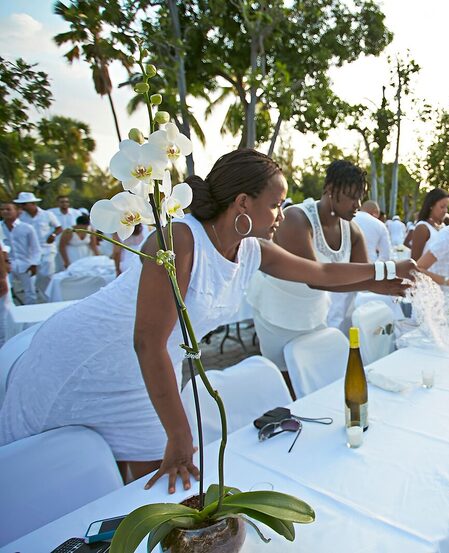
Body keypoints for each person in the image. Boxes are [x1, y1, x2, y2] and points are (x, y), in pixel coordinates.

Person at [0, 149, 417, 493]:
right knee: (53, 483)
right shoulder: (180, 238)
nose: (281, 214)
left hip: (147, 368)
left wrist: (385, 275)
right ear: (242, 203)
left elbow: (321, 274)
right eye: (275, 204)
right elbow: (147, 340)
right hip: (83, 358)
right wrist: (180, 433)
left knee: (156, 486)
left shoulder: (254, 249)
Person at [248, 160, 407, 370]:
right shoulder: (296, 218)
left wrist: (387, 284)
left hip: (314, 312)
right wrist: (389, 269)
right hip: (277, 311)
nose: (358, 205)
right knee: (284, 378)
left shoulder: (353, 231)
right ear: (331, 190)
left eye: (361, 197)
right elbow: (315, 278)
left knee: (316, 373)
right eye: (352, 197)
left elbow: (364, 278)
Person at [327, 200, 392, 333]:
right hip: (368, 271)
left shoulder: (343, 219)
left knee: (336, 312)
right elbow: (386, 257)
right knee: (364, 313)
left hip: (342, 268)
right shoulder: (379, 225)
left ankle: (336, 342)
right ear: (376, 213)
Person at [14, 192, 62, 302]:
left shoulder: (47, 214)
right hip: (30, 251)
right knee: (32, 277)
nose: (21, 207)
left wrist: (53, 235)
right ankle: (39, 299)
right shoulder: (21, 217)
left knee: (48, 274)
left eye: (24, 204)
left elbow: (59, 227)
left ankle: (51, 298)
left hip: (47, 248)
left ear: (32, 204)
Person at [0, 202, 40, 305]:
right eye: (2, 209)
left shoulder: (27, 228)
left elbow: (35, 248)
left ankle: (31, 316)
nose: (4, 211)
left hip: (26, 264)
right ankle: (10, 316)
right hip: (6, 265)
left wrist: (34, 264)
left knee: (30, 292)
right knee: (6, 293)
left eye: (8, 209)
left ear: (17, 211)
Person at [406, 187, 449, 261]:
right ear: (431, 206)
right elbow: (414, 262)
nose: (445, 211)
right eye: (442, 207)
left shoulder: (444, 227)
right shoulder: (423, 228)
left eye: (447, 207)